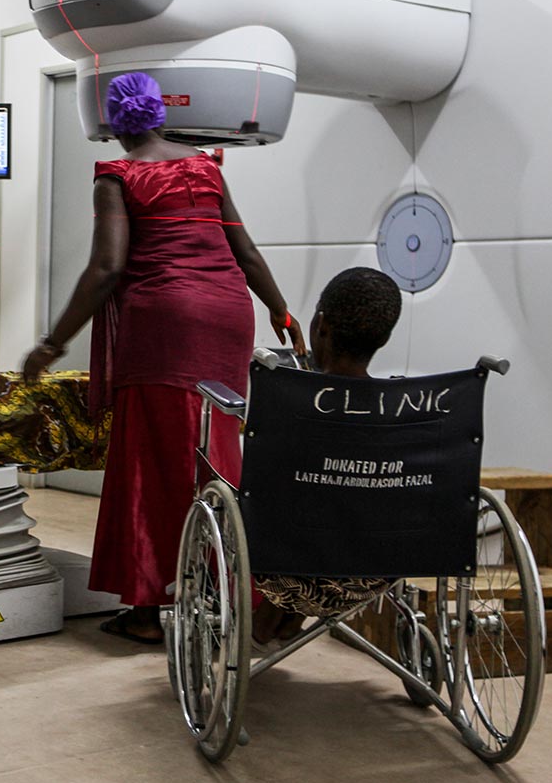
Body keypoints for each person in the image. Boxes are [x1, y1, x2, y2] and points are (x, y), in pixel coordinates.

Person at [22, 71, 304, 645]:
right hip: (228, 317)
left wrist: (52, 344)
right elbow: (246, 252)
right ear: (158, 112)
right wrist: (281, 310)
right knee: (214, 450)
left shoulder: (118, 175)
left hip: (165, 323)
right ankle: (233, 587)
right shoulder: (205, 167)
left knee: (155, 459)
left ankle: (152, 608)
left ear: (112, 122)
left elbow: (107, 268)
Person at [251, 265, 404, 647]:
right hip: (376, 573)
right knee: (337, 514)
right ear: (384, 339)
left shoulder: (291, 405)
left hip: (288, 572)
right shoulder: (402, 411)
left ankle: (264, 626)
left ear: (321, 325)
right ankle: (285, 624)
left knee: (295, 516)